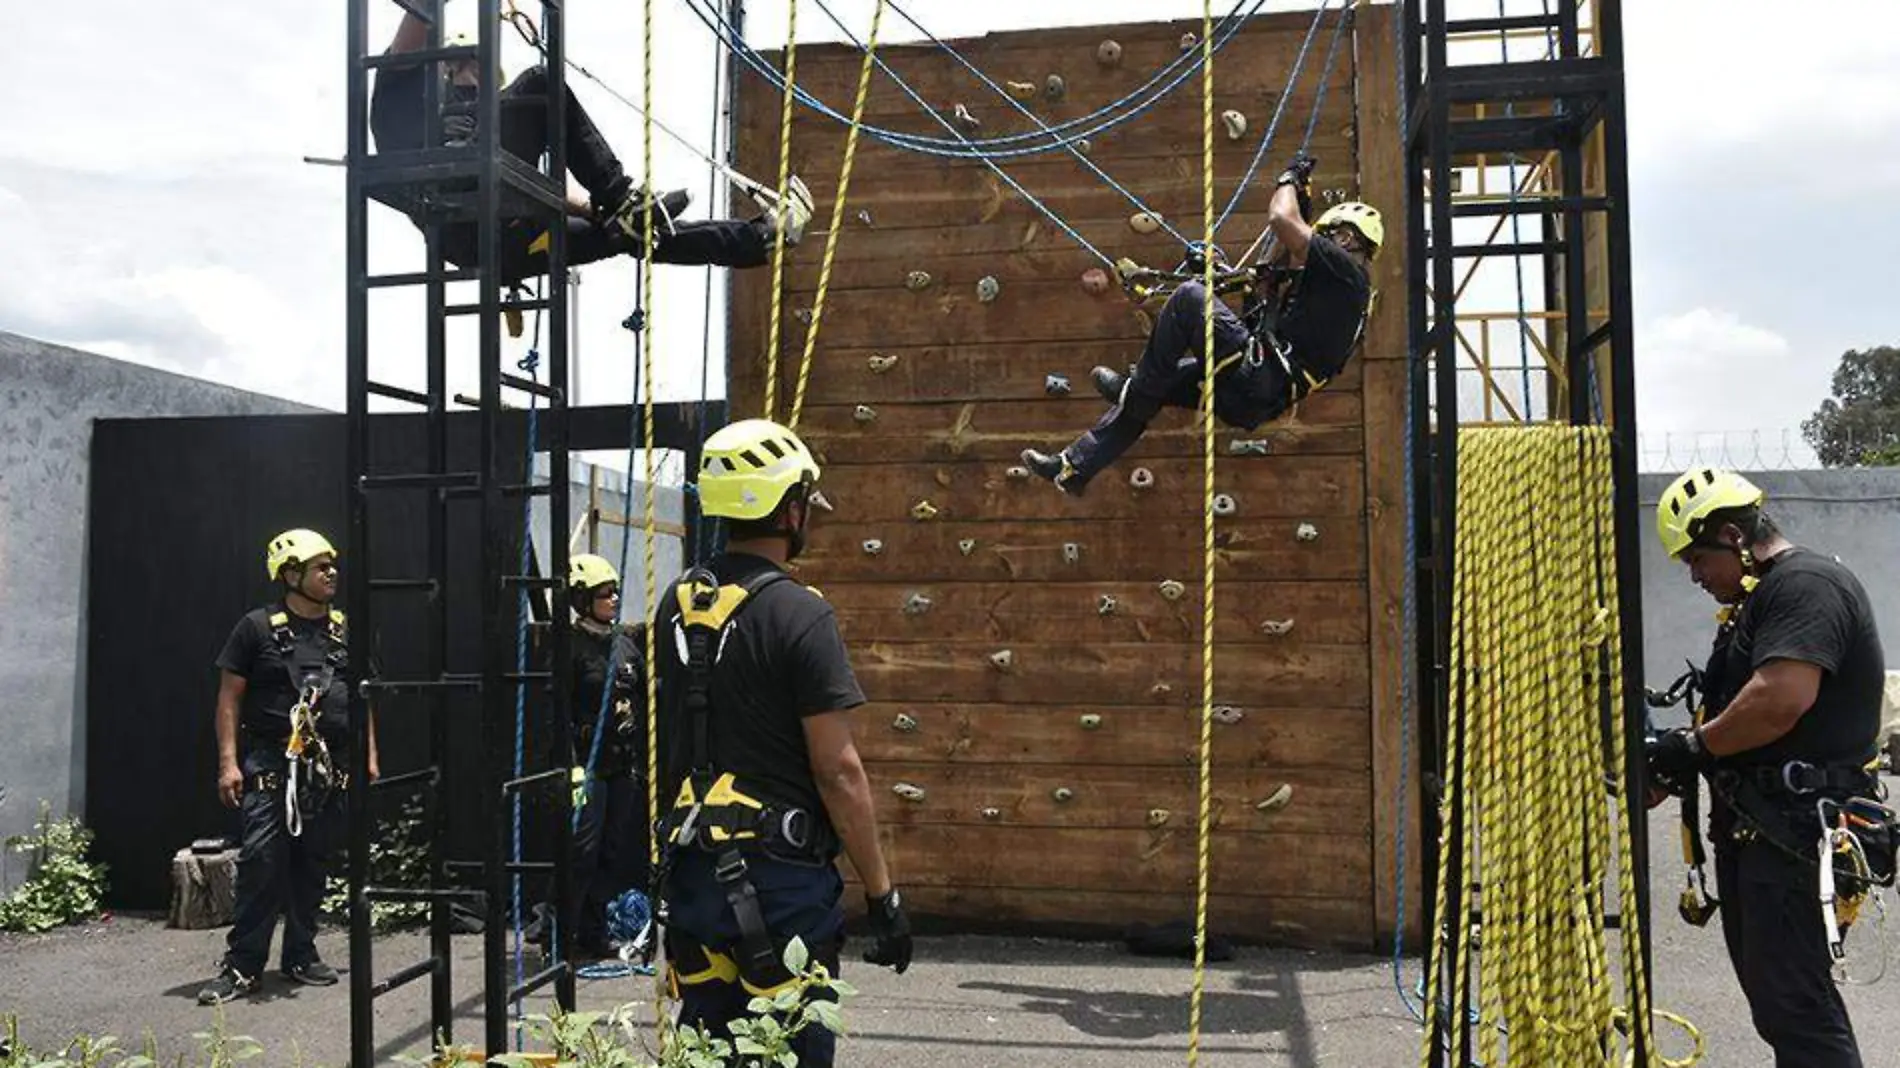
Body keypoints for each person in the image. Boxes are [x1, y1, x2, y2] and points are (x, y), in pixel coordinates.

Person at [652, 418, 911, 1066]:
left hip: (692, 874)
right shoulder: (800, 614)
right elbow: (838, 772)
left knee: (707, 1049)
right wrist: (882, 894)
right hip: (779, 884)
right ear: (791, 508)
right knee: (790, 1048)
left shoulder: (677, 607)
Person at [1648, 468, 1887, 1068]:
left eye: (1698, 558)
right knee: (1780, 1007)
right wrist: (1675, 757)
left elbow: (1780, 697)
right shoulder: (1761, 600)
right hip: (1764, 832)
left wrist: (1696, 746)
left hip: (1794, 835)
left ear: (1733, 535)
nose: (1695, 575)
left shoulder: (1805, 586)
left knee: (1797, 1007)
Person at [369, 6, 813, 285]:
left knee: (625, 233)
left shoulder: (495, 127)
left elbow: (542, 189)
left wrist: (600, 210)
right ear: (449, 63)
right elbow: (417, 23)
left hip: (506, 240)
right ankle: (623, 198)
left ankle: (757, 240)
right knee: (542, 83)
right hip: (465, 222)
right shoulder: (406, 100)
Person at [1022, 154, 1378, 494]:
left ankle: (1137, 391)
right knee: (1158, 382)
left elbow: (1281, 221)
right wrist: (1300, 200)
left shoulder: (1348, 273)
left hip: (1258, 378)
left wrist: (1287, 180)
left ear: (1344, 238)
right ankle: (1074, 468)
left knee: (1189, 300)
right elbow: (1273, 266)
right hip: (1257, 394)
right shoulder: (1336, 295)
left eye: (1326, 236)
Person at [198, 530, 380, 1005]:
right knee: (261, 860)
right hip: (271, 762)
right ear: (290, 574)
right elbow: (228, 699)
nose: (332, 574)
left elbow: (363, 697)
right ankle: (242, 967)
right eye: (320, 567)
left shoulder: (344, 630)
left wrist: (370, 756)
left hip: (328, 767)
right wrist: (227, 764)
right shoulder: (256, 629)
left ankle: (300, 953)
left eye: (332, 566)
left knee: (311, 862)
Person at [555, 552, 649, 960]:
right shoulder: (571, 648)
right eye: (603, 593)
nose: (612, 599)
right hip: (586, 767)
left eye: (614, 592)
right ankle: (560, 934)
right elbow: (556, 712)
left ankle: (593, 933)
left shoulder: (624, 644)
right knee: (582, 852)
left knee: (611, 851)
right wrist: (571, 766)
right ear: (581, 598)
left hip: (621, 765)